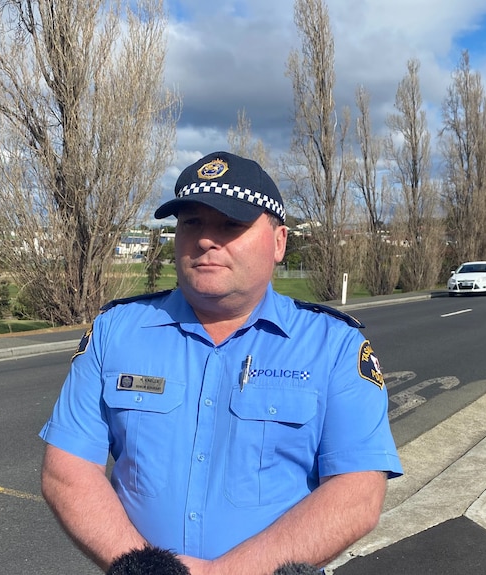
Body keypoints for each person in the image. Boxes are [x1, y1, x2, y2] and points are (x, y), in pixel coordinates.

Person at [39, 151, 403, 575]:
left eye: (232, 224)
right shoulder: (114, 332)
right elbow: (68, 468)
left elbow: (357, 491)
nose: (206, 240)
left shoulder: (334, 345)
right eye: (192, 222)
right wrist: (142, 567)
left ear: (279, 241)